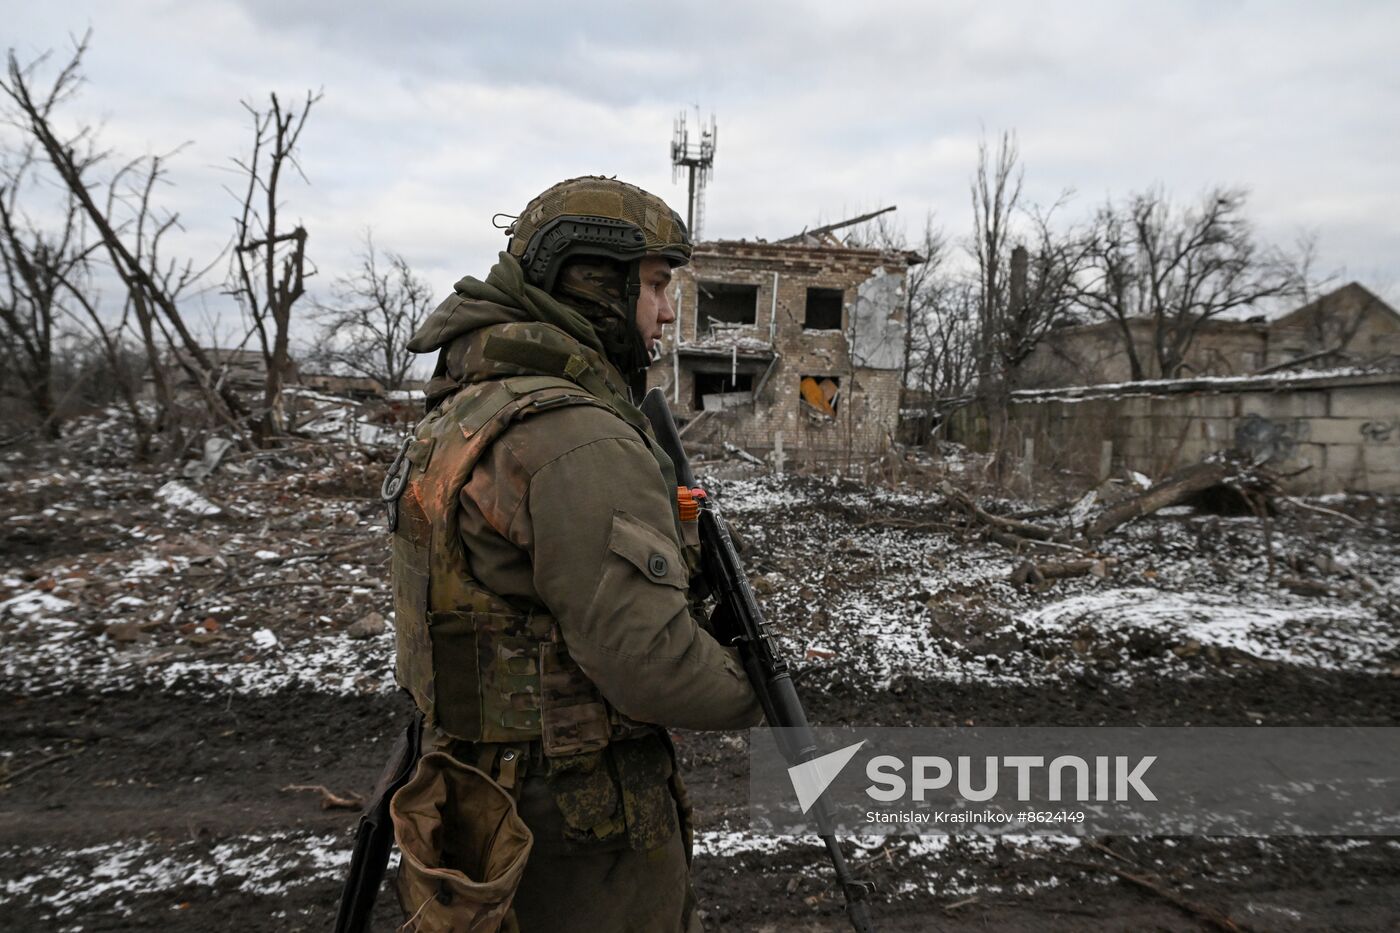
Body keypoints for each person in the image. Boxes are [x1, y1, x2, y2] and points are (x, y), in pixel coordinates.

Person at [386, 176, 763, 932]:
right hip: (575, 832)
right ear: (591, 280)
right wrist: (755, 688)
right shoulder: (577, 437)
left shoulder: (466, 410)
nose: (666, 309)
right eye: (655, 284)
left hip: (475, 794)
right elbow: (649, 663)